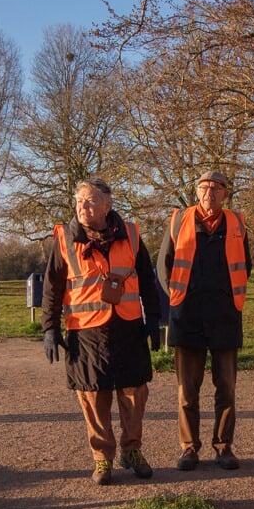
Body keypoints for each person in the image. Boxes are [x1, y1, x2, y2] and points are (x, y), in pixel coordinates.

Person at [44, 179, 164, 485]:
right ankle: (102, 458)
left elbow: (148, 284)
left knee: (134, 393)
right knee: (93, 397)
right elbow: (53, 287)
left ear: (108, 206)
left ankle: (132, 451)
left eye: (91, 200)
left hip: (128, 326)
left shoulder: (132, 235)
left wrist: (154, 321)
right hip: (85, 333)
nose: (83, 206)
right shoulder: (63, 239)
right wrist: (49, 328)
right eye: (79, 201)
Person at [157, 170, 248, 470]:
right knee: (187, 389)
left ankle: (224, 447)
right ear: (196, 191)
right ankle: (188, 448)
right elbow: (163, 267)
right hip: (188, 314)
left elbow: (243, 264)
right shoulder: (179, 220)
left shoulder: (237, 223)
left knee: (227, 388)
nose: (209, 192)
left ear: (225, 193)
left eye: (216, 188)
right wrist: (177, 297)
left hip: (225, 314)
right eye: (204, 187)